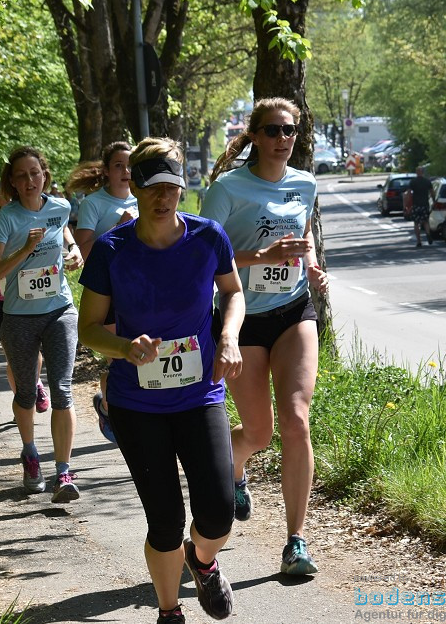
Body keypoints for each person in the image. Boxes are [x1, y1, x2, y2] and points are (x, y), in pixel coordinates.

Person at [78, 138, 244, 624]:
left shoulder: (208, 237)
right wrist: (124, 348)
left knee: (217, 511)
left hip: (200, 395)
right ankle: (169, 612)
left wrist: (230, 337)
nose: (163, 197)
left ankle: (204, 560)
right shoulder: (112, 250)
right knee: (166, 521)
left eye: (171, 186)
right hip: (138, 402)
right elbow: (89, 329)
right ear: (135, 187)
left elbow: (232, 293)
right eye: (152, 187)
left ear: (181, 188)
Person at [201, 97, 328, 576]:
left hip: (294, 309)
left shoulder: (305, 182)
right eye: (273, 131)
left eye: (290, 131)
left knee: (296, 418)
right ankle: (235, 464)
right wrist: (261, 255)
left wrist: (310, 265)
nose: (283, 140)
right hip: (241, 318)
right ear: (254, 135)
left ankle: (296, 541)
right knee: (259, 431)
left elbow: (303, 233)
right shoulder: (227, 190)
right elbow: (207, 257)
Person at [0, 146, 84, 503]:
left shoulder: (60, 207)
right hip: (19, 317)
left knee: (62, 390)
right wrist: (24, 249)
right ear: (12, 181)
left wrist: (74, 251)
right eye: (21, 175)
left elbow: (65, 231)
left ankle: (64, 471)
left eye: (34, 173)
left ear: (45, 176)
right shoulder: (5, 220)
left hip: (59, 310)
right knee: (25, 393)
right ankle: (30, 453)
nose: (29, 181)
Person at [68, 141, 138, 443]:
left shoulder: (144, 197)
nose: (125, 172)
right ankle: (112, 410)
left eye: (130, 165)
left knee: (137, 355)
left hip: (139, 288)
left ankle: (120, 408)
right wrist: (118, 228)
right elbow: (84, 249)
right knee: (118, 358)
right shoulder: (94, 204)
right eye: (119, 166)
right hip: (107, 290)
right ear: (107, 171)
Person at [0, 186, 47, 411]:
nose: (11, 202)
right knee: (13, 357)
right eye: (6, 197)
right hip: (3, 303)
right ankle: (23, 401)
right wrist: (2, 267)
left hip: (32, 298)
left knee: (35, 353)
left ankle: (34, 383)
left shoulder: (31, 223)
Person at [407, 166, 434, 247]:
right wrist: (434, 200)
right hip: (425, 204)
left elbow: (408, 193)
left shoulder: (413, 182)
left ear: (416, 172)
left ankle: (419, 241)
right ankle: (428, 233)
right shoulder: (427, 181)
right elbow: (432, 192)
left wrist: (408, 205)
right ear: (423, 172)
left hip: (416, 205)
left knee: (416, 223)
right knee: (426, 221)